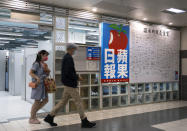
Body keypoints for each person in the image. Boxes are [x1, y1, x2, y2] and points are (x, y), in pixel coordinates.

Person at [44, 43, 96, 128]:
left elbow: (68, 72)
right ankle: (84, 121)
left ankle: (49, 117)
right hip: (70, 84)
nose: (74, 51)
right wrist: (77, 77)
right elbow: (69, 72)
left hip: (68, 84)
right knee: (78, 102)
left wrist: (75, 77)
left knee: (62, 102)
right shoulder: (68, 58)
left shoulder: (66, 57)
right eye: (74, 49)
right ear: (70, 49)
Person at [29, 50, 50, 124]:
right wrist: (37, 78)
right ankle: (32, 118)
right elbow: (31, 73)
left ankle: (33, 113)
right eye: (45, 55)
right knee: (37, 101)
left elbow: (46, 74)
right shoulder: (36, 64)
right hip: (38, 85)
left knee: (46, 100)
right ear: (41, 55)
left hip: (44, 85)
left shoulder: (44, 64)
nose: (46, 57)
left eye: (47, 56)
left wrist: (47, 71)